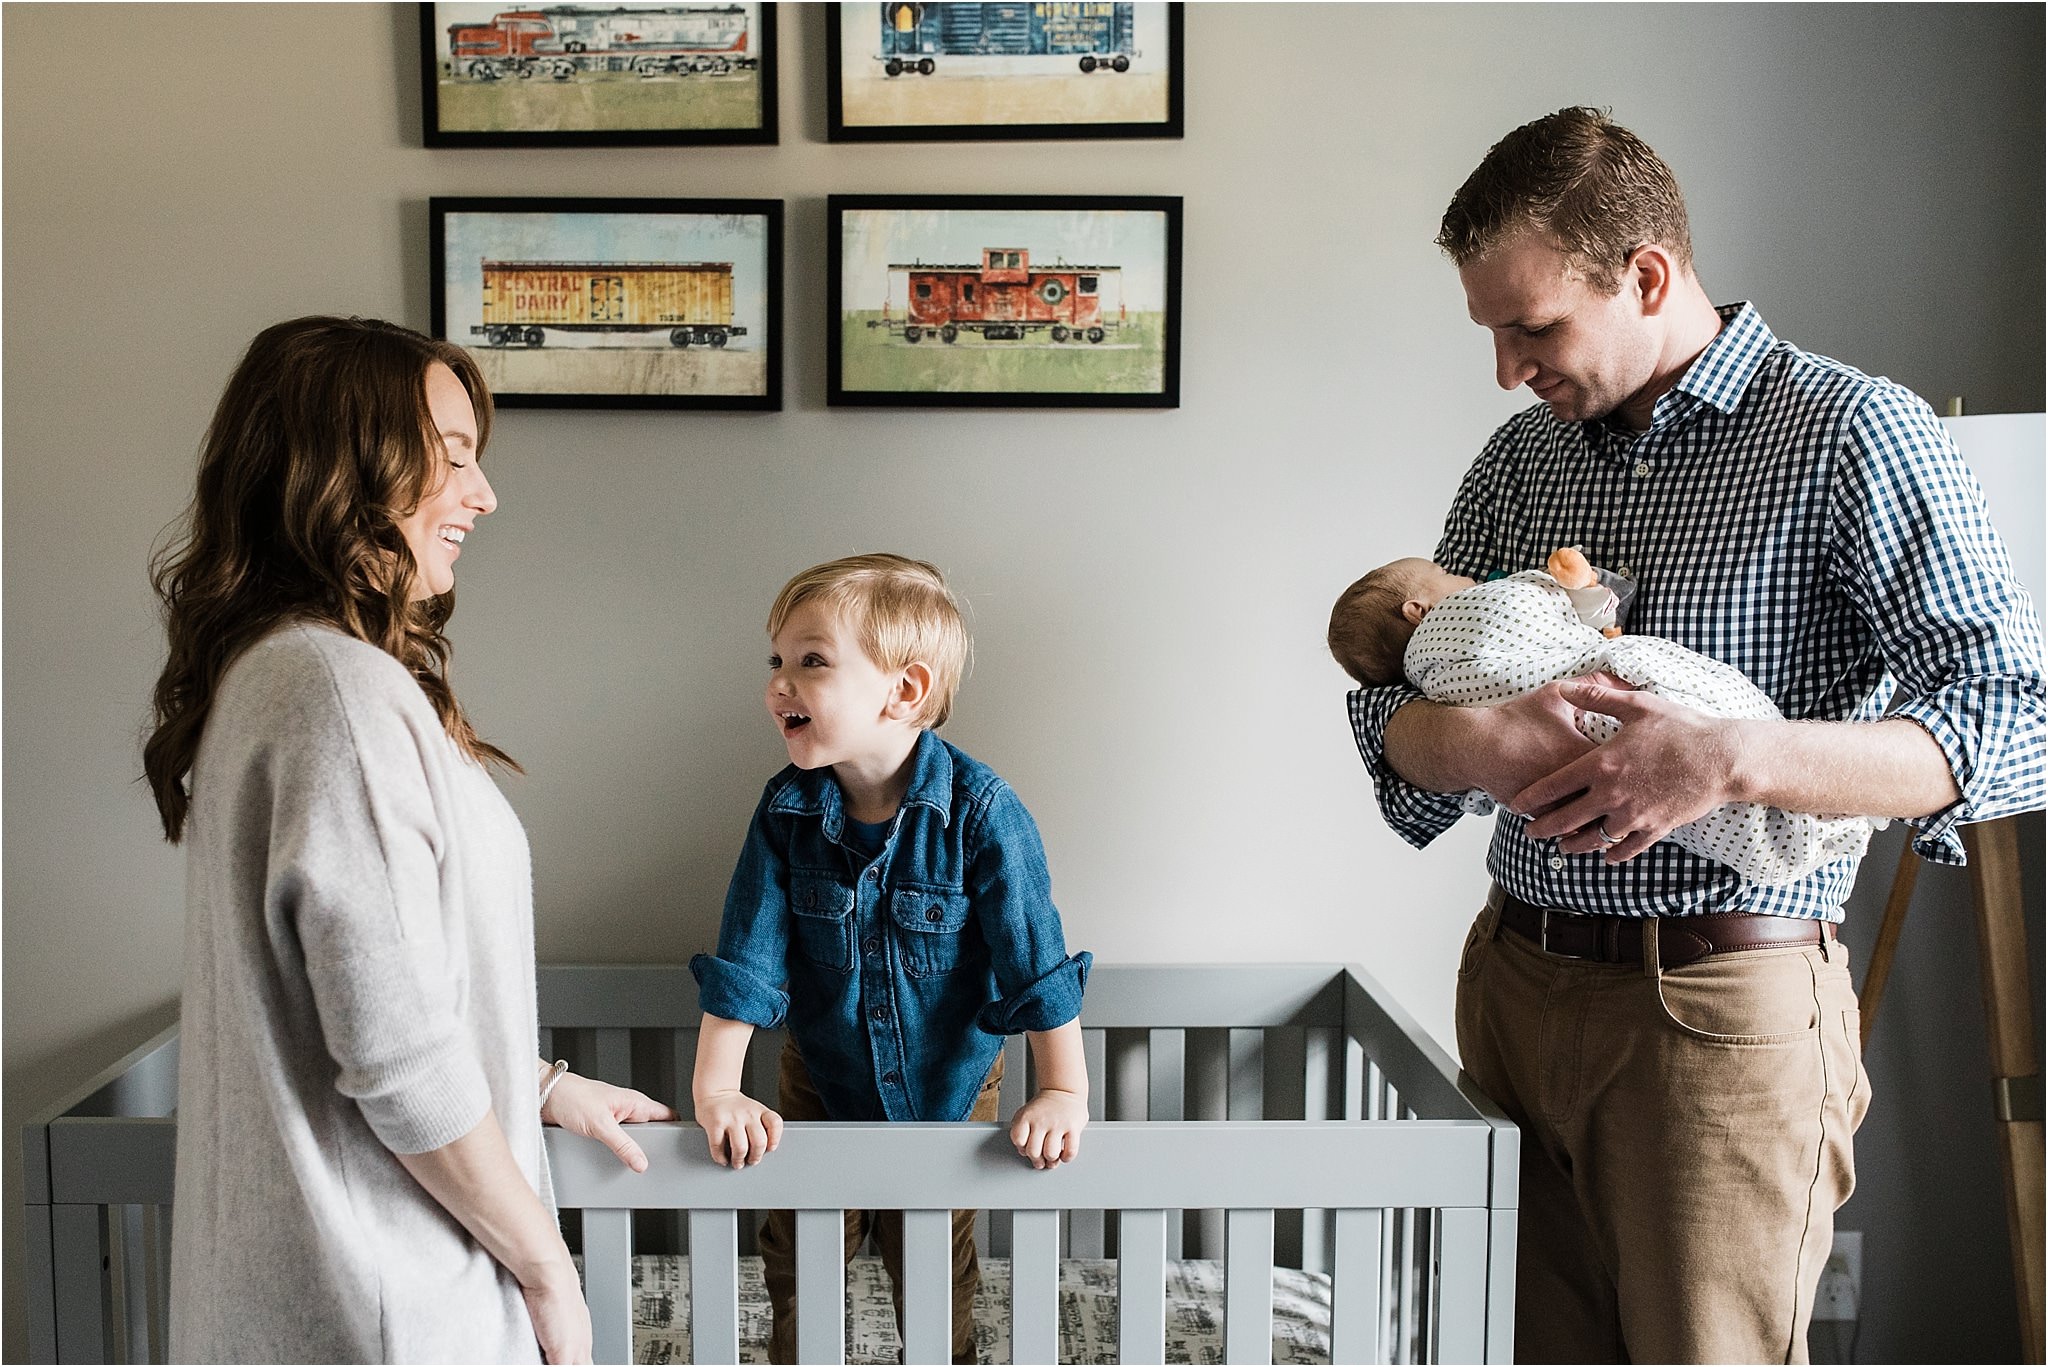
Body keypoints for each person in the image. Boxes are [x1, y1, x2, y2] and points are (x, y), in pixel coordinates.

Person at [1345, 108, 2045, 1363]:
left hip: (1716, 1009)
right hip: (1510, 986)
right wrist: (1466, 745)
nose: (1507, 368)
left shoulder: (1851, 433)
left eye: (1531, 327)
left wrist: (1726, 759)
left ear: (1647, 276)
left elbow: (2009, 720)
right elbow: (1392, 695)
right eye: (1491, 334)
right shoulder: (1523, 460)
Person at [146, 316, 673, 1364]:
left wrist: (536, 1085)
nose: (483, 495)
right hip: (383, 1298)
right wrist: (548, 1267)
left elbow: (363, 982)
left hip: (333, 1293)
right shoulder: (337, 693)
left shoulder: (281, 676)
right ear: (349, 465)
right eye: (457, 456)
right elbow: (396, 1056)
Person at [688, 552, 1092, 1364]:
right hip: (821, 1074)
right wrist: (716, 1088)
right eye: (776, 660)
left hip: (948, 1082)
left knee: (934, 1263)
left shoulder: (983, 813)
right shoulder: (785, 812)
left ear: (903, 690)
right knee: (800, 1257)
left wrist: (1061, 1088)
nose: (780, 682)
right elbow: (748, 960)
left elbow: (1036, 967)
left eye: (811, 660)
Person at [1329, 552, 1880, 884]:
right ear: (1418, 611)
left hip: (1727, 964)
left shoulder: (1848, 424)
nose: (1467, 577)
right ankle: (1815, 825)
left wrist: (1726, 760)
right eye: (1447, 574)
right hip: (1517, 956)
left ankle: (1803, 824)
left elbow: (1964, 737)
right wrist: (1481, 743)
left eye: (1536, 345)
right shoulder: (1509, 471)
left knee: (1699, 770)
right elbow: (1388, 727)